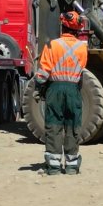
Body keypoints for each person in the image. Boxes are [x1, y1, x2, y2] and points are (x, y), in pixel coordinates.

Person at [32, 11, 88, 175]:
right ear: (77, 29)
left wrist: (38, 89)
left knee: (54, 125)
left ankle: (54, 166)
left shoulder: (52, 45)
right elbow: (81, 70)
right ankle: (71, 166)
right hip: (73, 89)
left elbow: (43, 73)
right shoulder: (82, 48)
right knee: (72, 126)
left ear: (62, 26)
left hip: (55, 89)